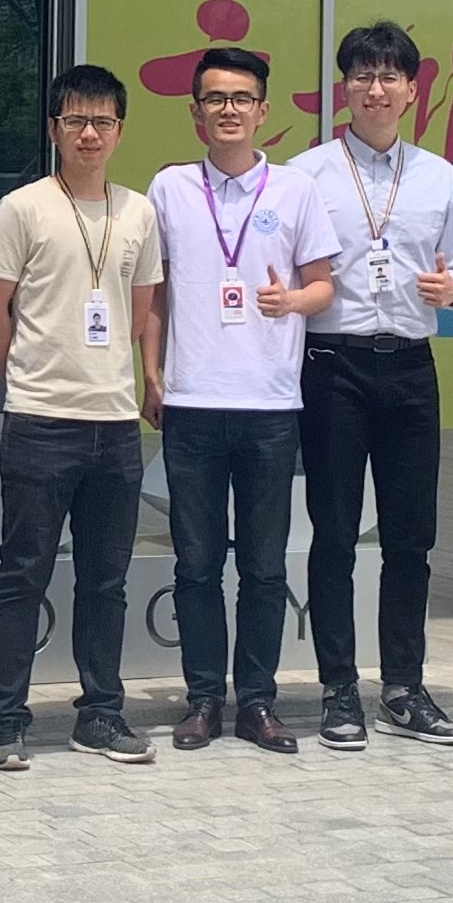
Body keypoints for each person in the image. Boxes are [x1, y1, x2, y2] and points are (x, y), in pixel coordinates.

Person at [144, 44, 337, 756]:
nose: (229, 110)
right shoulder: (169, 188)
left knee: (263, 565)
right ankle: (202, 700)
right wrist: (151, 375)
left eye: (242, 98)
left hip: (269, 405)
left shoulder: (295, 190)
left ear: (263, 111)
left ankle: (257, 701)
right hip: (191, 402)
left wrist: (293, 301)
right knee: (195, 563)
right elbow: (154, 294)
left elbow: (324, 286)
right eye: (216, 99)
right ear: (196, 112)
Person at [287, 22, 453, 750]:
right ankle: (339, 690)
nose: (375, 89)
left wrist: (452, 289)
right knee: (334, 532)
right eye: (362, 75)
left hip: (409, 366)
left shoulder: (438, 176)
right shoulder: (305, 175)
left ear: (411, 91)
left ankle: (403, 686)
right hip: (331, 365)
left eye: (389, 76)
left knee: (410, 536)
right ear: (344, 88)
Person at [0, 64, 166, 772]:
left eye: (102, 121)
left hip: (114, 424)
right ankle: (6, 720)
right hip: (40, 420)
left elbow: (140, 312)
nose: (90, 133)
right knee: (21, 574)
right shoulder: (23, 208)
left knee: (106, 579)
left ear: (120, 130)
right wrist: (22, 375)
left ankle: (101, 714)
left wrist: (131, 373)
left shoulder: (138, 212)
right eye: (76, 120)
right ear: (54, 129)